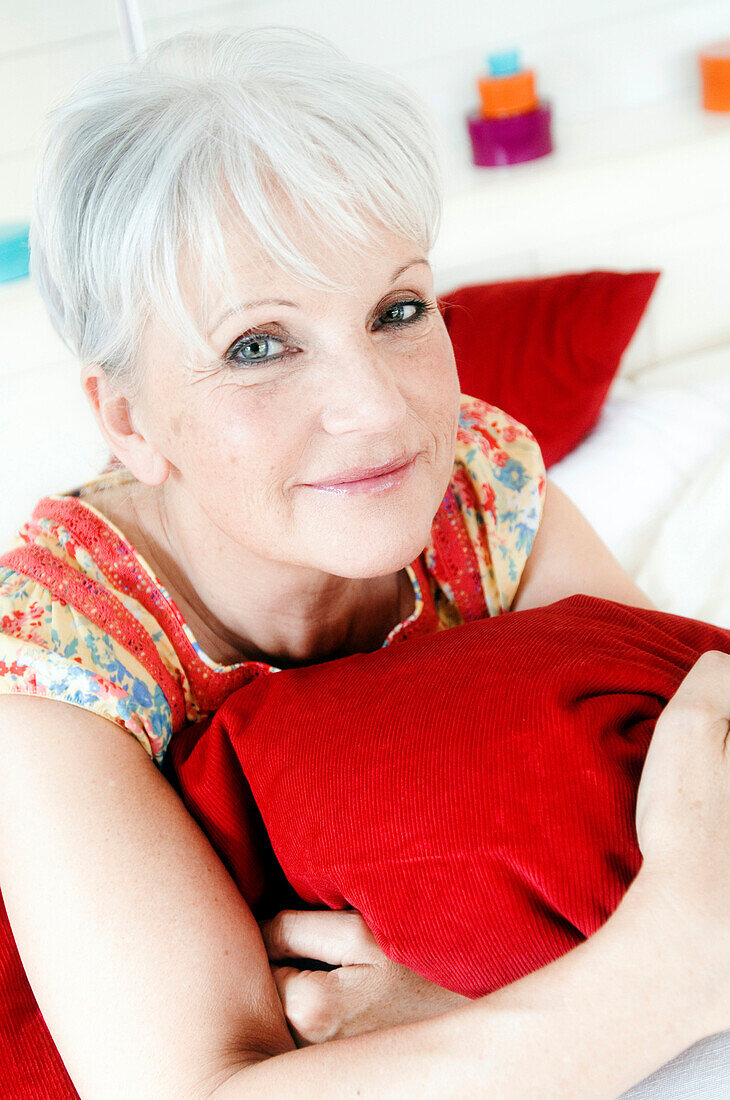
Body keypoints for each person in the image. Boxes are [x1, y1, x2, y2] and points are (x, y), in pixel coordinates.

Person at [0, 26, 728, 1098]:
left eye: (398, 310)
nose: (378, 411)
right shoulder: (52, 664)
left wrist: (458, 1006)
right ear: (128, 417)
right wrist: (662, 977)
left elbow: (686, 729)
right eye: (259, 345)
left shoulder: (478, 481)